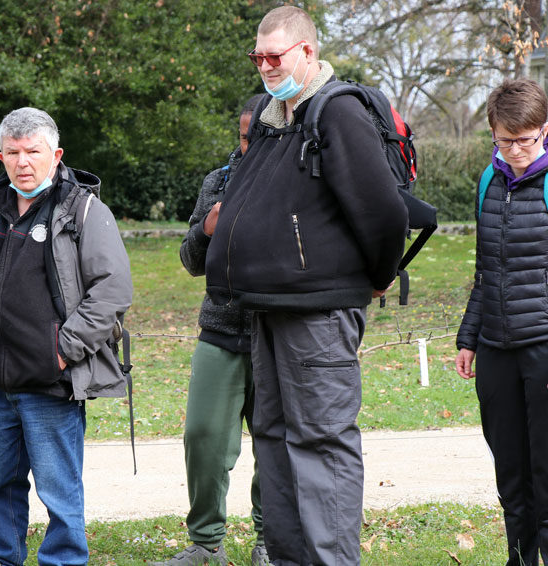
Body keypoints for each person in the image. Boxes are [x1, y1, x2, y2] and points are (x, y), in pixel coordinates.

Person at [203, 6, 408, 565]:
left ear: (308, 52)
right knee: (272, 438)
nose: (266, 66)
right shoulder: (275, 119)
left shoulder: (334, 112)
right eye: (258, 56)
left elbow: (384, 213)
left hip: (319, 311)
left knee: (321, 443)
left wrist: (376, 278)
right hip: (267, 308)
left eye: (276, 55)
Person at [0, 107, 132, 566]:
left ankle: (64, 560)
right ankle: (3, 558)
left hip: (51, 379)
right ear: (1, 156)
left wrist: (63, 350)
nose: (23, 161)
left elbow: (112, 290)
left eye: (33, 151)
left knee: (59, 488)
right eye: (13, 152)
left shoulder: (83, 208)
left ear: (56, 154)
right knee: (1, 485)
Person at [154, 94, 268, 566]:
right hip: (220, 330)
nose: (249, 148)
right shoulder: (217, 181)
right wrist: (206, 227)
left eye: (258, 138)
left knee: (275, 443)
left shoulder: (301, 180)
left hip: (278, 334)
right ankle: (206, 544)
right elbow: (189, 261)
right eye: (244, 138)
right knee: (202, 436)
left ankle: (272, 540)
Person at [455, 78, 548, 566]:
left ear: (544, 129)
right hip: (495, 345)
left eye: (526, 139)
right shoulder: (489, 182)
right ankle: (519, 558)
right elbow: (485, 268)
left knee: (546, 468)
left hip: (543, 346)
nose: (514, 150)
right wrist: (469, 337)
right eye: (504, 139)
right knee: (510, 469)